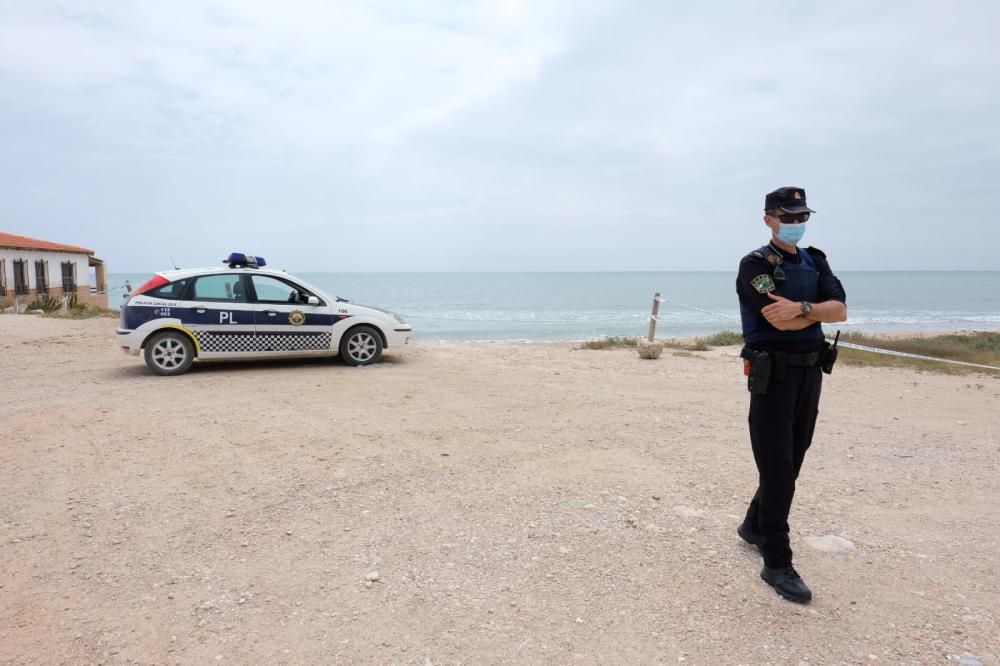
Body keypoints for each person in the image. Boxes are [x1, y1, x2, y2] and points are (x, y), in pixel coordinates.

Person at [735, 186, 847, 603]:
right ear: (768, 219)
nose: (796, 224)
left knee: (792, 461)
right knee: (778, 466)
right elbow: (777, 321)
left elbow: (841, 310)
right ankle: (776, 561)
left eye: (802, 217)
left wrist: (803, 309)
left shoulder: (816, 260)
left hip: (810, 374)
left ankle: (753, 524)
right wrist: (815, 309)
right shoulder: (755, 265)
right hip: (773, 377)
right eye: (788, 216)